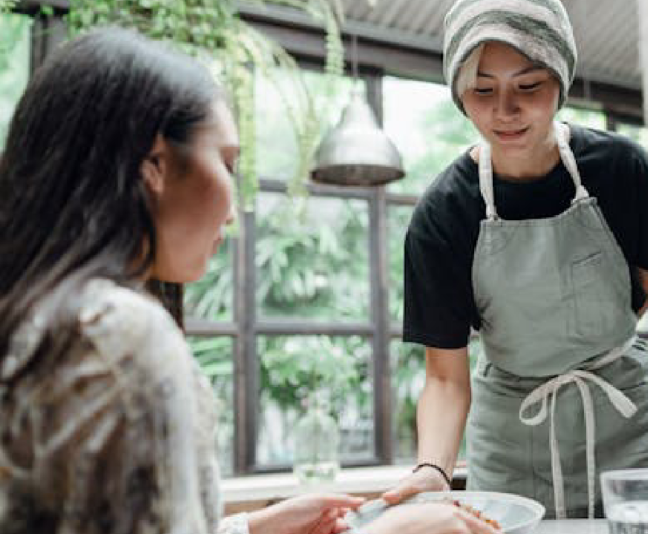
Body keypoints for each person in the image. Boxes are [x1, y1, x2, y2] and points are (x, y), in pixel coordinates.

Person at [0, 28, 500, 534]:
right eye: (226, 163)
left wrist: (256, 527)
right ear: (154, 165)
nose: (233, 209)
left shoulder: (41, 316)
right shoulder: (118, 337)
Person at [387, 0, 648, 520]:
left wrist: (586, 343)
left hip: (626, 422)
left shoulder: (622, 169)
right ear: (459, 92)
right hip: (511, 436)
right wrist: (433, 470)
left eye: (528, 86)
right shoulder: (443, 213)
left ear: (560, 80)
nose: (505, 111)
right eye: (483, 90)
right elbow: (445, 376)